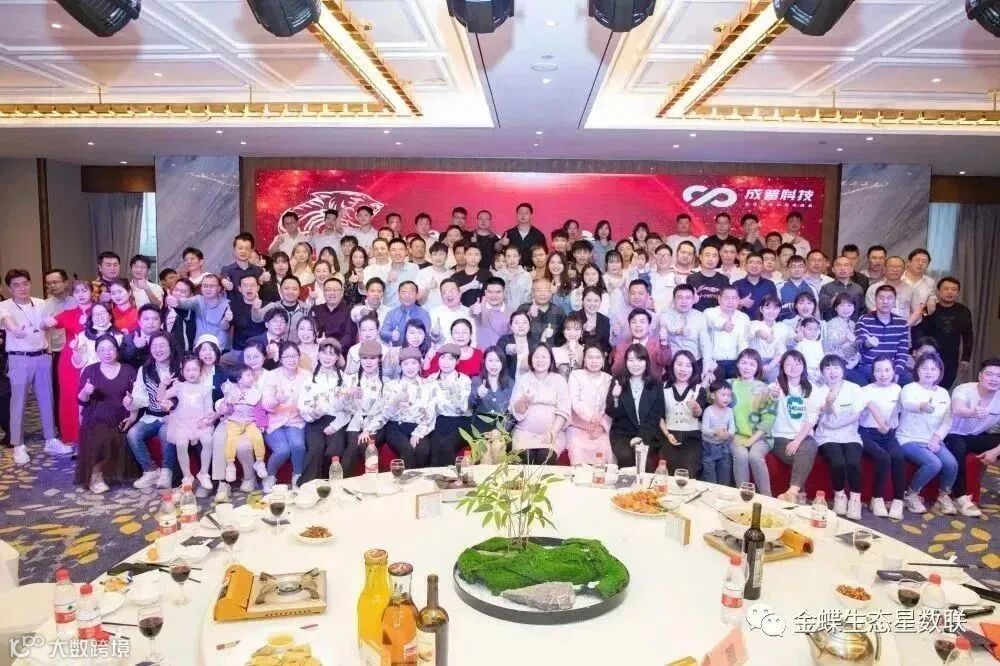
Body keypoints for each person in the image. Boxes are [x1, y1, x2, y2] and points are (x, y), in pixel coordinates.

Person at [1, 269, 69, 464]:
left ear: (30, 284)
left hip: (42, 356)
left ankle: (50, 439)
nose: (22, 288)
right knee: (18, 402)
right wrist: (15, 330)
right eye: (16, 285)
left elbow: (46, 328)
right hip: (19, 358)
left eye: (25, 283)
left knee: (47, 399)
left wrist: (48, 350)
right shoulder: (4, 305)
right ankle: (18, 444)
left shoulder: (40, 303)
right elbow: (7, 320)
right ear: (9, 288)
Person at [75, 335, 139, 493]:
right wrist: (86, 391)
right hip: (96, 415)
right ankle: (95, 476)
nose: (107, 353)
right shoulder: (90, 370)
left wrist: (132, 414)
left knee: (119, 431)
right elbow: (81, 400)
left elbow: (136, 397)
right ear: (96, 352)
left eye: (111, 349)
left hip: (121, 415)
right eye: (102, 350)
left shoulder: (128, 370)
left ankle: (109, 473)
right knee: (101, 433)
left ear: (117, 350)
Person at [896, 353, 958, 514]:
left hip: (933, 439)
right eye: (924, 368)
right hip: (908, 438)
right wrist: (921, 406)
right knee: (934, 463)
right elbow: (907, 404)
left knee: (951, 463)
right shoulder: (909, 388)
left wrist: (937, 438)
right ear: (917, 370)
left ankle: (943, 497)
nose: (929, 372)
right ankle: (911, 494)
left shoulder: (943, 393)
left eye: (933, 369)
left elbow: (947, 420)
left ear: (940, 372)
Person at [942, 358, 1000, 518]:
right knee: (957, 445)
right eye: (989, 374)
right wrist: (973, 412)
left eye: (998, 376)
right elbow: (958, 409)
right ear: (980, 376)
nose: (994, 379)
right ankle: (960, 497)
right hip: (951, 433)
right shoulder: (964, 389)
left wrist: (995, 451)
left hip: (976, 437)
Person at [813, 355, 868, 520]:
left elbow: (856, 414)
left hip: (850, 435)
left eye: (836, 367)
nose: (832, 371)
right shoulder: (818, 391)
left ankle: (855, 500)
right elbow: (824, 412)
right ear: (822, 372)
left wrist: (837, 425)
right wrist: (829, 403)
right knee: (838, 462)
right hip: (826, 436)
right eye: (828, 368)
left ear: (843, 370)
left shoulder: (854, 388)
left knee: (852, 463)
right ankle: (840, 496)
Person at [298, 341, 359, 481]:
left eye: (332, 354)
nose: (327, 357)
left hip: (336, 421)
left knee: (334, 450)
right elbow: (301, 404)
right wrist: (312, 412)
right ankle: (307, 485)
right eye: (324, 353)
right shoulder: (310, 378)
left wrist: (334, 426)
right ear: (318, 355)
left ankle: (330, 484)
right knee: (315, 448)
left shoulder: (344, 378)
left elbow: (349, 410)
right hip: (314, 421)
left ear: (337, 357)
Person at [126, 331, 179, 490]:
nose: (158, 350)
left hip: (174, 416)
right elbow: (140, 396)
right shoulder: (144, 369)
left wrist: (174, 412)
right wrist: (131, 401)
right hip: (151, 415)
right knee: (133, 434)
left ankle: (167, 471)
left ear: (170, 347)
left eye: (162, 346)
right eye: (154, 346)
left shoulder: (180, 367)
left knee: (165, 432)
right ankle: (150, 470)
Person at [768, 350, 821, 503]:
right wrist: (774, 394)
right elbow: (773, 397)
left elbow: (812, 418)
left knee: (811, 445)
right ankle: (799, 494)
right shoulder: (775, 386)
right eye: (788, 364)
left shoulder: (812, 389)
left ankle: (791, 492)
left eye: (797, 363)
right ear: (782, 367)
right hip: (780, 438)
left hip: (802, 437)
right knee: (804, 458)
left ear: (803, 366)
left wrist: (797, 441)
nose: (793, 367)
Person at [370, 346, 435, 469]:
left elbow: (431, 413)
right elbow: (385, 413)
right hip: (395, 427)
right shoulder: (391, 386)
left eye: (413, 363)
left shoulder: (428, 385)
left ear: (419, 364)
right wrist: (395, 403)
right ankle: (406, 481)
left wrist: (418, 433)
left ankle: (420, 481)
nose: (410, 367)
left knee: (423, 450)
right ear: (400, 365)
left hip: (418, 425)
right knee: (407, 450)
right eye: (405, 364)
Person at [859, 355, 907, 520]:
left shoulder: (898, 390)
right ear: (873, 372)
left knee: (898, 456)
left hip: (889, 435)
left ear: (893, 371)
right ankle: (876, 498)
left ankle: (898, 500)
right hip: (867, 433)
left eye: (887, 370)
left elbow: (900, 413)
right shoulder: (865, 391)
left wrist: (889, 427)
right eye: (878, 370)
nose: (883, 374)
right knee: (883, 457)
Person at [606, 343, 664, 470]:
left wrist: (640, 437)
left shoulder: (656, 385)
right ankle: (627, 483)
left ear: (646, 362)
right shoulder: (617, 381)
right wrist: (615, 397)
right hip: (622, 433)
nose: (635, 364)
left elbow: (655, 416)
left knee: (642, 455)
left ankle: (645, 483)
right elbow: (611, 412)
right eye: (631, 360)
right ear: (625, 362)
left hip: (648, 433)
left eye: (639, 360)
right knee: (625, 455)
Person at [49, 279, 94, 447]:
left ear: (92, 292)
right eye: (77, 291)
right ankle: (73, 435)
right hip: (69, 359)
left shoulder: (99, 311)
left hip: (93, 357)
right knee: (70, 395)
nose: (81, 295)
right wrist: (45, 323)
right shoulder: (67, 313)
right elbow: (47, 325)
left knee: (92, 393)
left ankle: (93, 435)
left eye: (84, 290)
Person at [261, 342, 311, 491]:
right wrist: (277, 400)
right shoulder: (272, 375)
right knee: (282, 450)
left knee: (298, 445)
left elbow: (310, 398)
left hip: (296, 421)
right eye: (287, 356)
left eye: (294, 355)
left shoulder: (306, 375)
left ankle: (297, 476)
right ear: (281, 359)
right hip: (275, 421)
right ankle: (269, 477)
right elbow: (265, 403)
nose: (291, 359)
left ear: (299, 357)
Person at [163, 355, 215, 490]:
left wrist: (206, 420)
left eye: (195, 370)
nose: (191, 373)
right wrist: (163, 384)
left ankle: (203, 473)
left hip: (200, 422)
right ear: (182, 371)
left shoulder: (206, 389)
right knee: (181, 444)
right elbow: (161, 397)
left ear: (200, 371)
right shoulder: (179, 386)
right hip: (182, 423)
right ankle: (187, 476)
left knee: (208, 441)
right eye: (188, 370)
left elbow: (209, 408)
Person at [510, 344, 569, 464]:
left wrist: (553, 431)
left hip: (552, 434)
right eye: (536, 357)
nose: (540, 360)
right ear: (530, 359)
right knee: (525, 459)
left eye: (544, 357)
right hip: (525, 434)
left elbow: (564, 409)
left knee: (544, 458)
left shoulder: (559, 380)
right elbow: (516, 410)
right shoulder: (523, 379)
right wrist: (524, 400)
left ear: (551, 359)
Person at [729, 349, 775, 496]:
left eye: (752, 364)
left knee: (755, 456)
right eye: (743, 363)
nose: (747, 367)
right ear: (737, 364)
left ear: (757, 367)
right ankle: (744, 496)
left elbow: (769, 418)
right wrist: (708, 377)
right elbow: (710, 395)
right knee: (741, 455)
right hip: (737, 435)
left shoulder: (764, 388)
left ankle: (767, 498)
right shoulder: (730, 384)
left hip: (760, 436)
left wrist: (751, 440)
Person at [657, 351, 706, 477]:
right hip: (668, 435)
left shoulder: (699, 390)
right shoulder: (662, 387)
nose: (683, 369)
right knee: (668, 470)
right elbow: (659, 416)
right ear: (673, 365)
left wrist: (696, 408)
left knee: (689, 468)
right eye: (679, 364)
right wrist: (667, 434)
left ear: (693, 369)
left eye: (688, 365)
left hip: (692, 437)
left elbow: (698, 414)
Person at [563, 344, 613, 465]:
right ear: (584, 359)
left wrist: (602, 428)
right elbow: (575, 401)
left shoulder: (609, 379)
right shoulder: (576, 375)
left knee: (605, 450)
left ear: (603, 359)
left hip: (599, 430)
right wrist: (590, 415)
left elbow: (611, 408)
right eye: (590, 357)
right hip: (577, 428)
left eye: (598, 357)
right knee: (577, 451)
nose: (594, 361)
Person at [852, 285, 911, 385]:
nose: (885, 301)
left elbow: (902, 352)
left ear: (894, 301)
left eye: (890, 298)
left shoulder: (902, 323)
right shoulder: (864, 320)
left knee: (909, 380)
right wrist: (867, 344)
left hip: (891, 368)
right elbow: (858, 346)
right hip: (869, 367)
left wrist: (896, 372)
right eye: (881, 298)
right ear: (875, 300)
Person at [426, 343, 473, 466]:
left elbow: (462, 409)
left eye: (450, 358)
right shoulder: (431, 379)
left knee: (447, 445)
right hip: (440, 420)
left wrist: (452, 390)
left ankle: (452, 475)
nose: (445, 362)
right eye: (442, 357)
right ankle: (437, 476)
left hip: (462, 421)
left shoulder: (464, 380)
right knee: (435, 449)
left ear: (457, 361)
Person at [922, 277, 973, 388]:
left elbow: (968, 335)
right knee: (926, 387)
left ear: (958, 292)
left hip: (951, 358)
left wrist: (965, 358)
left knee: (945, 388)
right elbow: (920, 332)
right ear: (938, 291)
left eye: (954, 289)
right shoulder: (930, 308)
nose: (950, 292)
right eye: (946, 289)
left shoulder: (963, 311)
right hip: (929, 356)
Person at [469, 347, 513, 463]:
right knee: (485, 452)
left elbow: (512, 413)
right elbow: (470, 405)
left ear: (503, 363)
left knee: (497, 446)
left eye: (498, 361)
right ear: (484, 361)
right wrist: (477, 394)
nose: (494, 365)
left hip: (502, 426)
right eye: (490, 360)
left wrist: (500, 430)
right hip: (480, 426)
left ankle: (500, 475)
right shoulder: (477, 380)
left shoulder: (510, 383)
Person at [166, 274, 232, 349]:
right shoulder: (198, 300)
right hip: (200, 348)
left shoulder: (226, 304)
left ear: (219, 288)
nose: (208, 289)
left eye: (212, 286)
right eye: (205, 286)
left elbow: (225, 327)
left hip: (220, 347)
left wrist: (226, 319)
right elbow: (187, 302)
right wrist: (177, 302)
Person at [611, 308, 671, 380]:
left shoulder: (658, 344)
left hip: (651, 384)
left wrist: (664, 341)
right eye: (634, 322)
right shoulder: (622, 345)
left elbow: (665, 361)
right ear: (629, 326)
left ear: (649, 325)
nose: (638, 325)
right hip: (627, 384)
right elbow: (615, 371)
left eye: (642, 322)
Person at [704, 286, 750, 381]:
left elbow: (744, 343)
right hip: (714, 363)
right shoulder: (709, 313)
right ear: (719, 299)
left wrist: (743, 365)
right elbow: (714, 322)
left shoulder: (744, 318)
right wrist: (723, 326)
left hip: (735, 363)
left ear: (738, 300)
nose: (730, 302)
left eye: (734, 298)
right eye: (727, 298)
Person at [865, 257, 920, 326]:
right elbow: (872, 309)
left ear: (904, 270)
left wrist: (904, 326)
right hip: (880, 328)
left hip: (905, 328)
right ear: (884, 269)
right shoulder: (873, 288)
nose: (895, 270)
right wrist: (890, 327)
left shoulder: (911, 289)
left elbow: (917, 311)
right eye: (891, 266)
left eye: (899, 267)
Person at [700, 380, 735, 485]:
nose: (727, 398)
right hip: (709, 447)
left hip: (724, 446)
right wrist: (716, 432)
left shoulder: (729, 411)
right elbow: (704, 430)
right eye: (723, 395)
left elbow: (732, 429)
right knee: (709, 477)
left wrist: (728, 434)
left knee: (725, 476)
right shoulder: (708, 411)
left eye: (729, 395)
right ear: (713, 396)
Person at [378, 281, 430, 347]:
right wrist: (391, 335)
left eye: (411, 293)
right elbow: (383, 333)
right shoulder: (391, 314)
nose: (407, 296)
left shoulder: (423, 314)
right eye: (403, 293)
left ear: (416, 294)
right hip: (397, 350)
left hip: (418, 350)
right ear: (398, 294)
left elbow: (427, 334)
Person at [499, 203, 547, 269]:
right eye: (520, 213)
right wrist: (501, 242)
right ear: (517, 215)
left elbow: (544, 255)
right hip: (511, 270)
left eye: (526, 213)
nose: (523, 215)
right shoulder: (508, 234)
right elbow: (498, 250)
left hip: (532, 270)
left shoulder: (539, 235)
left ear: (531, 215)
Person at [748, 295, 785, 382]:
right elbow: (756, 332)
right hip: (754, 360)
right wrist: (764, 335)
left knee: (776, 379)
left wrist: (770, 366)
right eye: (768, 308)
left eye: (775, 308)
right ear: (761, 309)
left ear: (779, 310)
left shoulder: (782, 328)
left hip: (772, 363)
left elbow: (780, 351)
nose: (771, 311)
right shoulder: (754, 324)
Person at [819, 256, 866, 321]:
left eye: (846, 265)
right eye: (838, 265)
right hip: (831, 325)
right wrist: (831, 302)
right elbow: (821, 308)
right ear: (833, 269)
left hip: (853, 325)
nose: (842, 268)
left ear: (851, 269)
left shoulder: (858, 288)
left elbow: (862, 311)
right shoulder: (826, 287)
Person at [824, 293, 861, 373]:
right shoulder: (831, 324)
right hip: (838, 364)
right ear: (835, 308)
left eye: (849, 305)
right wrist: (845, 339)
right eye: (842, 305)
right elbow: (828, 346)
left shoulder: (853, 324)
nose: (846, 308)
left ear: (854, 308)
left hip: (854, 363)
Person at [429, 279, 473, 346]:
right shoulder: (434, 312)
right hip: (442, 351)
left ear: (460, 292)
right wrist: (435, 334)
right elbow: (432, 340)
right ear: (441, 296)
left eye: (452, 291)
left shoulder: (469, 313)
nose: (449, 294)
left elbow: (473, 339)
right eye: (445, 292)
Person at [732, 252, 777, 317]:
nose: (754, 265)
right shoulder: (736, 285)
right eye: (751, 262)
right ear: (745, 265)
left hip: (764, 322)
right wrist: (740, 303)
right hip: (742, 322)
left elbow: (775, 307)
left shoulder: (770, 285)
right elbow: (728, 308)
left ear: (762, 266)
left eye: (758, 263)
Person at [470, 277, 510, 349]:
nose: (493, 296)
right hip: (482, 354)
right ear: (485, 292)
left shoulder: (512, 312)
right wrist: (474, 310)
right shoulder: (479, 308)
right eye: (490, 292)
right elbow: (472, 312)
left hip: (503, 354)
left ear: (504, 293)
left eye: (498, 292)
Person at [687, 245, 729, 312]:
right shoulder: (691, 278)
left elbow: (727, 302)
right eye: (707, 255)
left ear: (718, 259)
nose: (710, 259)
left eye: (714, 256)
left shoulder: (724, 280)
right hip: (696, 316)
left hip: (718, 316)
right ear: (701, 257)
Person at [416, 242, 453, 310]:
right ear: (431, 256)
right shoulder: (422, 273)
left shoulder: (452, 274)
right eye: (435, 254)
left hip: (448, 312)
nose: (438, 257)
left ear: (447, 256)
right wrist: (428, 288)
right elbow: (419, 301)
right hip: (428, 312)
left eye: (441, 254)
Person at [776, 256, 811, 321]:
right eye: (793, 266)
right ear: (788, 269)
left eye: (800, 266)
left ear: (805, 269)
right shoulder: (779, 287)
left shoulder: (811, 288)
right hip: (784, 324)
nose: (797, 269)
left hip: (807, 325)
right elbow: (775, 309)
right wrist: (791, 306)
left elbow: (816, 310)